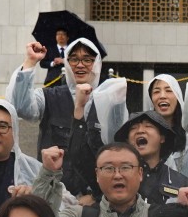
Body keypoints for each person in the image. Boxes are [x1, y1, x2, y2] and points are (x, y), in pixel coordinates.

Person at [9, 37, 126, 199]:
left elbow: (118, 152)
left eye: (87, 60)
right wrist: (30, 62)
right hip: (52, 194)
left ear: (97, 63)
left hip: (95, 198)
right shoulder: (49, 96)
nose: (80, 65)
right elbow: (21, 107)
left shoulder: (110, 101)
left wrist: (96, 196)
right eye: (74, 59)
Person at [142, 71, 188, 217]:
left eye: (168, 90)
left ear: (177, 96)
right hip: (156, 213)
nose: (162, 95)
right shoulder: (143, 136)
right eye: (156, 91)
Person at [111, 110, 188, 209]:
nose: (140, 131)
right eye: (133, 128)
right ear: (127, 141)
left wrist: (179, 208)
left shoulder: (183, 184)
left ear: (162, 138)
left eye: (148, 126)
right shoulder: (116, 178)